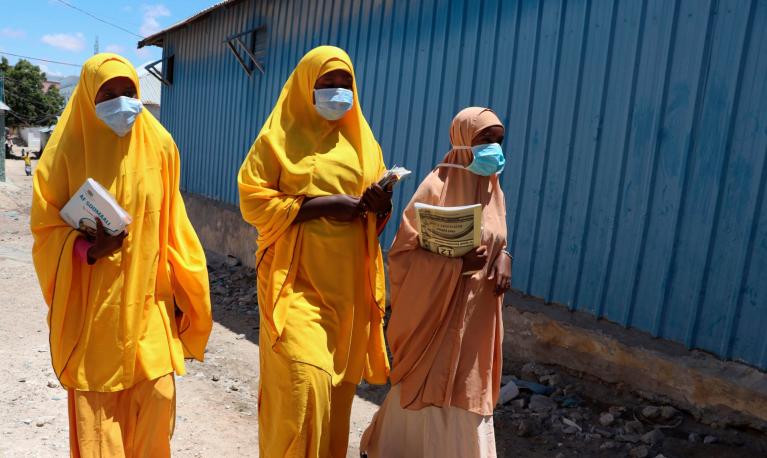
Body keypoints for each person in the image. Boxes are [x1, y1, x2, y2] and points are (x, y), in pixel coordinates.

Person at [30, 53, 212, 457]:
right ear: (86, 98)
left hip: (150, 305)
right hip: (95, 314)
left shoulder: (160, 144)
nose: (120, 102)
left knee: (158, 402)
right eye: (106, 93)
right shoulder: (65, 151)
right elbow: (45, 230)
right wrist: (86, 248)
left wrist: (187, 290)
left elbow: (174, 222)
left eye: (128, 91)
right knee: (99, 429)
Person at [238, 45, 393, 457]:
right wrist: (320, 206)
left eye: (346, 83)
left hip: (346, 292)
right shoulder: (278, 138)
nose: (338, 91)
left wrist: (380, 207)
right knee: (302, 387)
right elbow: (252, 200)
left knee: (334, 397)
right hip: (294, 285)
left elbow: (374, 217)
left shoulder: (364, 143)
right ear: (307, 86)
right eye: (328, 83)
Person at [360, 107, 512, 458]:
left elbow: (497, 237)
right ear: (462, 140)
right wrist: (453, 267)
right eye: (485, 140)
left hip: (477, 319)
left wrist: (505, 256)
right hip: (433, 321)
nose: (495, 148)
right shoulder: (434, 186)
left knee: (466, 391)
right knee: (427, 386)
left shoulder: (494, 190)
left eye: (499, 141)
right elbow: (401, 257)